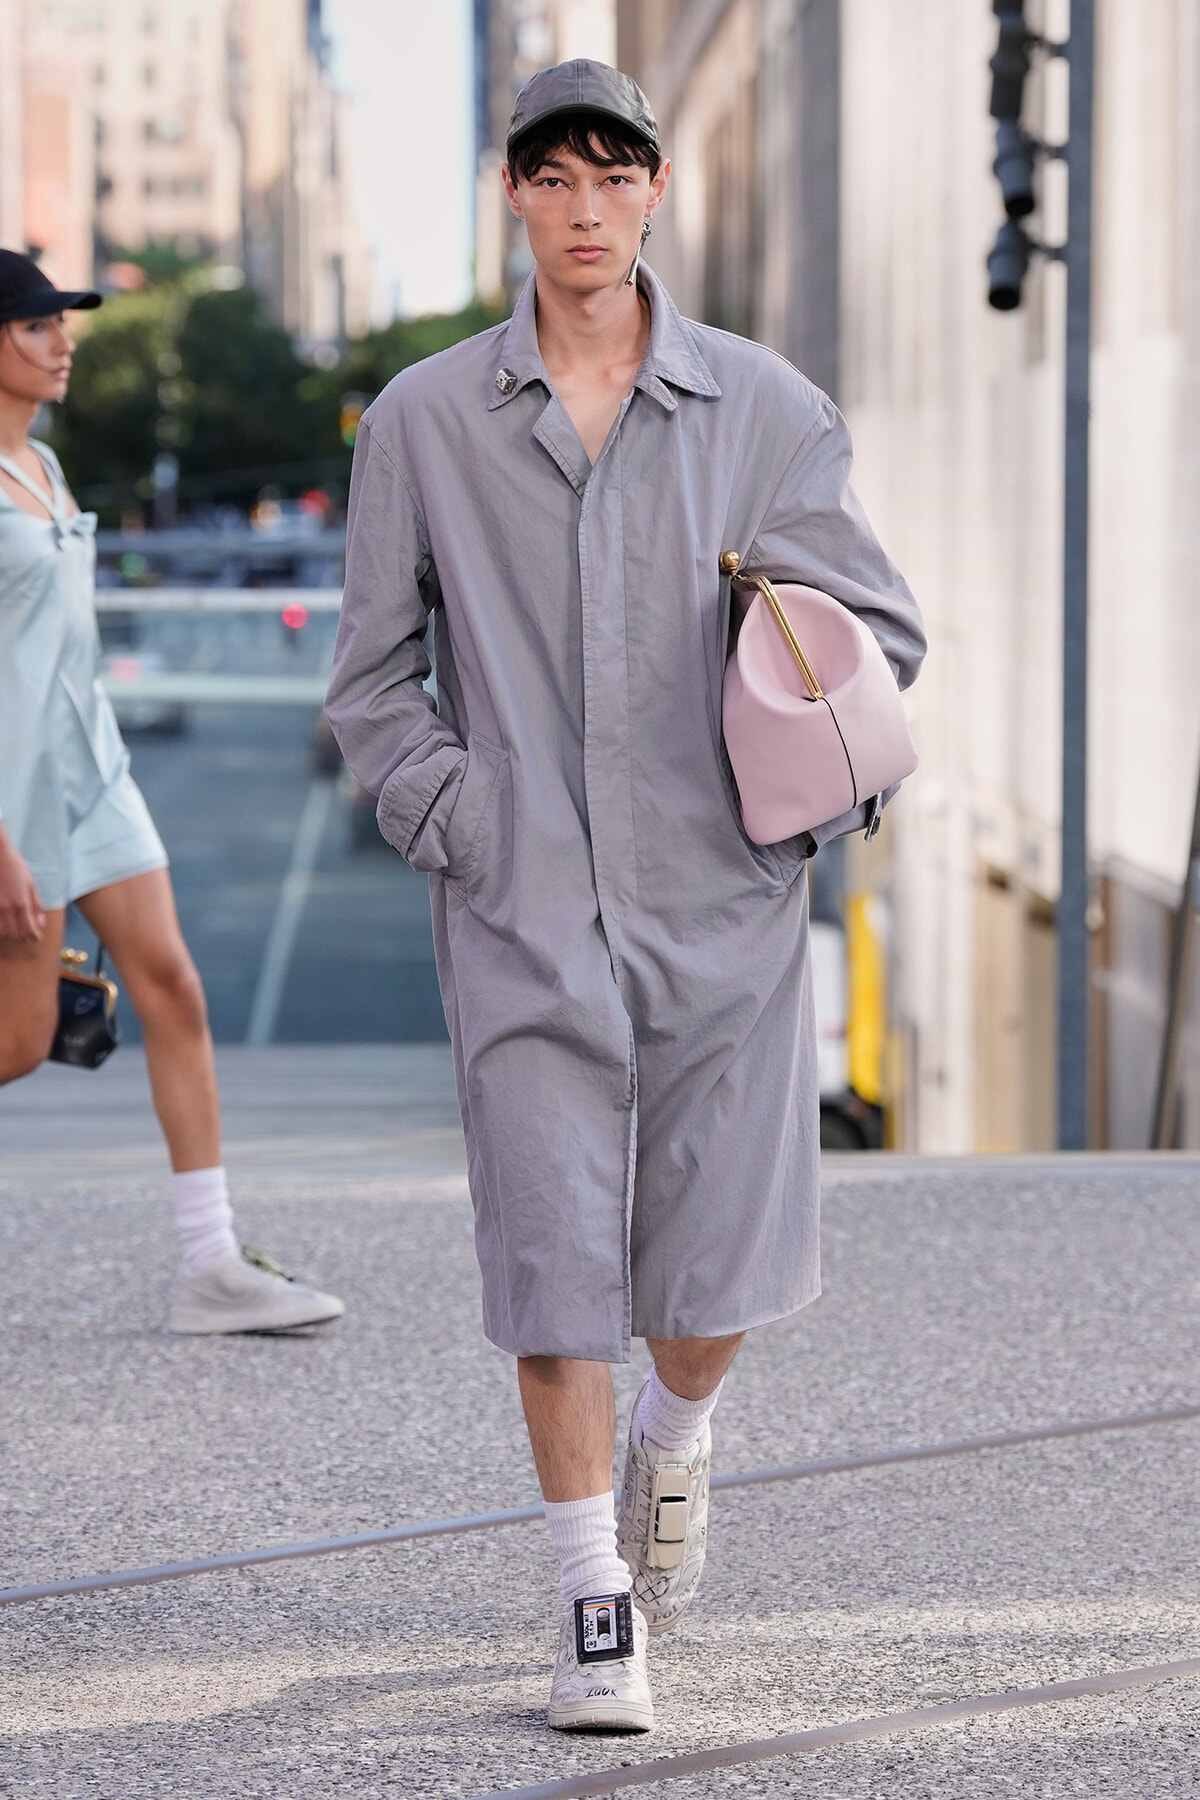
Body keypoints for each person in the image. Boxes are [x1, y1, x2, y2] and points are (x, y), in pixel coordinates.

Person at [326, 62, 925, 1733]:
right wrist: (464, 820)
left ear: (656, 190)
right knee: (553, 1250)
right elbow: (372, 682)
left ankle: (679, 1433)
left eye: (613, 176)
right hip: (520, 904)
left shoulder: (767, 410)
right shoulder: (426, 421)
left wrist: (778, 808)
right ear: (514, 194)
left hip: (723, 898)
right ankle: (595, 1593)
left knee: (710, 1276)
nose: (585, 209)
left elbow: (877, 631)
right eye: (554, 178)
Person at [0, 248, 344, 1336]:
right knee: (18, 1042)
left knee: (176, 990)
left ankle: (212, 1266)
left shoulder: (44, 467)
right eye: (36, 326)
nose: (62, 343)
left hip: (94, 773)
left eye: (62, 323)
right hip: (12, 799)